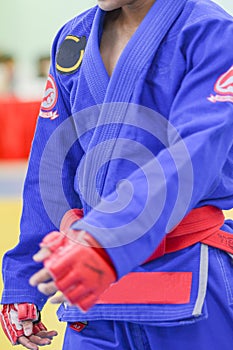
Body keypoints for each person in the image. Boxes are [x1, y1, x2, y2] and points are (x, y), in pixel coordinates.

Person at [1, 0, 233, 349]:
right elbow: (51, 165)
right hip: (90, 285)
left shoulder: (209, 31)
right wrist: (23, 280)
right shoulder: (74, 40)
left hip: (184, 275)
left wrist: (106, 240)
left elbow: (193, 153)